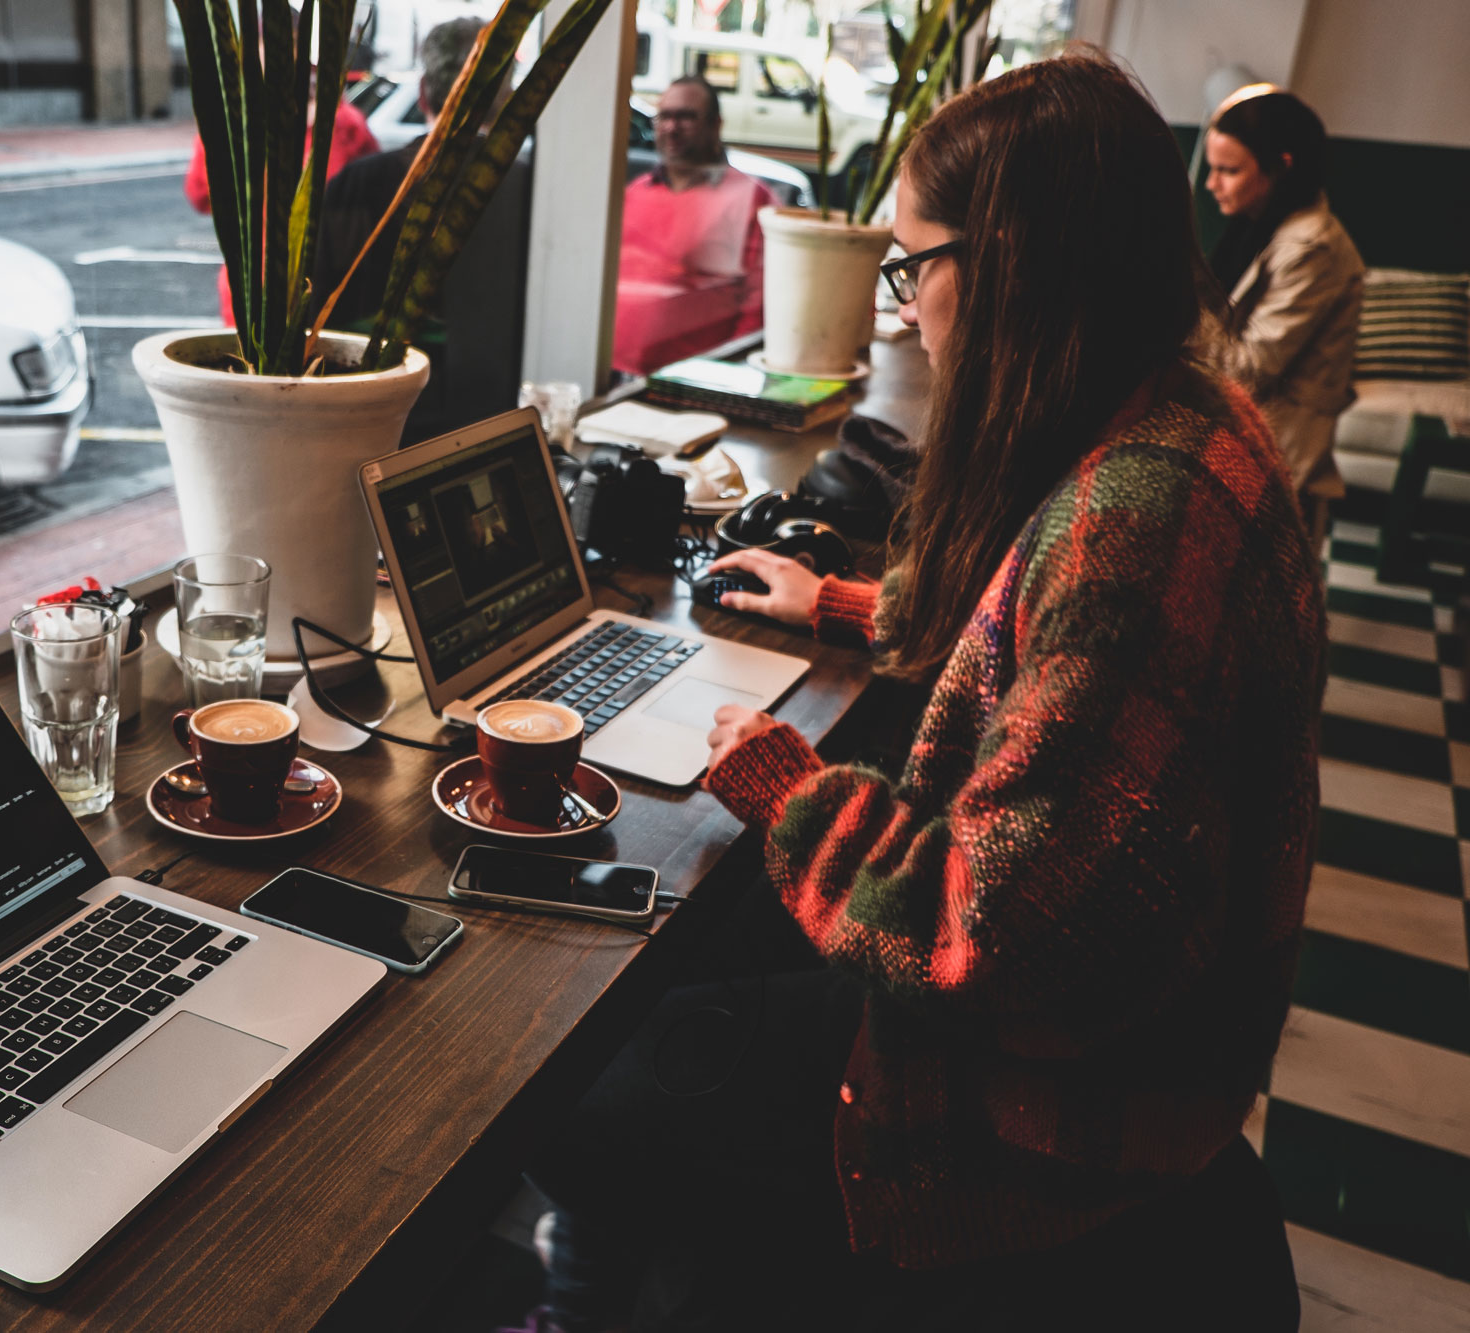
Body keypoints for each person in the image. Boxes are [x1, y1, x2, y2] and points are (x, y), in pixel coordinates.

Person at [516, 53, 1321, 1332]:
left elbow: (981, 935)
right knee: (681, 973)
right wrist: (839, 603)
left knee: (557, 1088)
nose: (899, 313)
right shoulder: (1177, 420)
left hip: (1025, 1127)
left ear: (1005, 265)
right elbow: (1049, 647)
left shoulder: (1135, 520)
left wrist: (786, 789)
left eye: (910, 266)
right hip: (1118, 1061)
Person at [1204, 87, 1364, 530]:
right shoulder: (1260, 224)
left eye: (1228, 170)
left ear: (1281, 167)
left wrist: (1172, 307)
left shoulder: (1313, 247)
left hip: (1276, 465)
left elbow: (1250, 369)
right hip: (1245, 447)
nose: (1211, 183)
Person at [310, 16, 490, 328]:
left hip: (367, 373)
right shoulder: (527, 190)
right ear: (507, 98)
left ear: (422, 94)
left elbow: (313, 306)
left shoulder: (355, 184)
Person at [183, 64, 379, 327]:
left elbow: (200, 195)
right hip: (321, 286)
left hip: (263, 286)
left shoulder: (230, 122)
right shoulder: (344, 124)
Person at [611, 76, 773, 376]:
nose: (672, 128)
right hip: (612, 372)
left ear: (715, 125)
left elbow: (759, 303)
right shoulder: (637, 192)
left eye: (686, 117)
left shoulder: (751, 198)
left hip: (690, 382)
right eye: (665, 117)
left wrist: (727, 376)